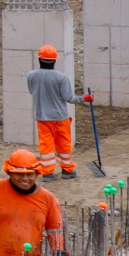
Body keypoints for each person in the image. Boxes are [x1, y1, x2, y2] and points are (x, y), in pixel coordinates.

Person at [27, 44, 77, 177]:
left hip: (42, 117)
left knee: (46, 146)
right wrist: (85, 99)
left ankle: (48, 173)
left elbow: (33, 91)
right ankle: (67, 170)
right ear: (55, 60)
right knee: (63, 144)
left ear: (39, 59)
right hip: (60, 118)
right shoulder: (61, 77)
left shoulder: (31, 75)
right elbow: (69, 98)